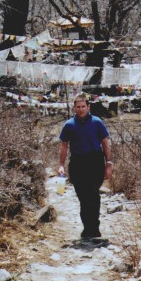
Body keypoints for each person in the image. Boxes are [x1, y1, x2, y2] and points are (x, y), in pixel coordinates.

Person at [58, 94, 112, 239]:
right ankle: (87, 227)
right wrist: (61, 165)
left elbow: (105, 143)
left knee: (93, 195)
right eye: (78, 107)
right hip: (77, 163)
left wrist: (109, 163)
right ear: (74, 107)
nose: (81, 109)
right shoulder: (69, 125)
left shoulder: (97, 122)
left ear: (88, 107)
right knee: (83, 197)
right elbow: (64, 146)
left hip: (94, 161)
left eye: (83, 106)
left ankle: (94, 228)